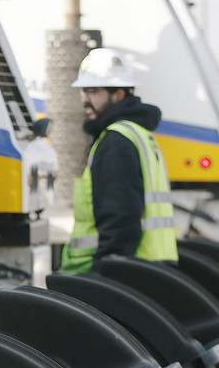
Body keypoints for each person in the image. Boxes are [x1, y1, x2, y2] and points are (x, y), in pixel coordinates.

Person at [61, 48, 178, 273]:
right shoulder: (139, 134)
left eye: (93, 91)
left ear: (119, 94)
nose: (85, 100)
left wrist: (105, 274)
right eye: (83, 91)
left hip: (123, 271)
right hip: (147, 267)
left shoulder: (116, 140)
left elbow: (120, 219)